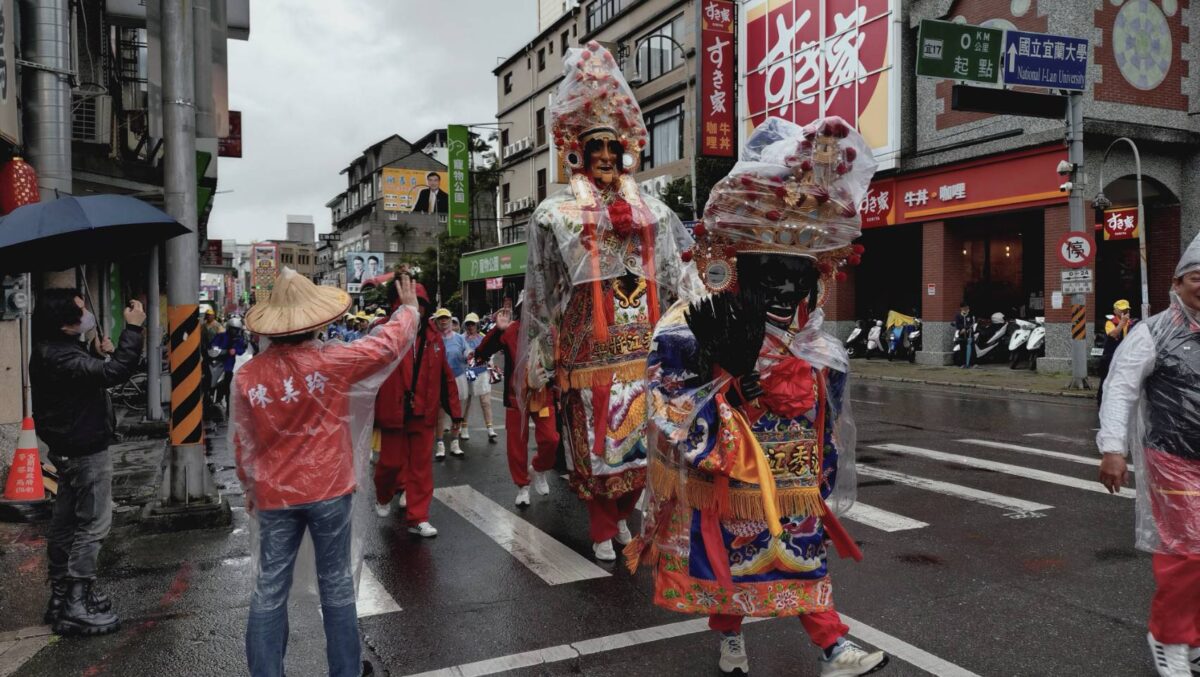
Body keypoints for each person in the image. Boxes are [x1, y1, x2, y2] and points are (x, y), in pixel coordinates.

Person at [628, 116, 886, 677]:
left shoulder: (813, 336)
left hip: (793, 472)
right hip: (733, 468)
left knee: (806, 556)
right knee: (727, 559)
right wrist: (727, 396)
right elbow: (667, 391)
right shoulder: (692, 323)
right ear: (740, 267)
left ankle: (833, 647)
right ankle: (730, 637)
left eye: (799, 272)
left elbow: (828, 412)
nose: (787, 287)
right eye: (772, 271)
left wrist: (825, 462)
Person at [518, 42, 702, 561]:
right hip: (587, 353)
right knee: (597, 445)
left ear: (625, 153)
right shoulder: (554, 215)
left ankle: (622, 516)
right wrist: (542, 349)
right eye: (594, 146)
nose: (604, 156)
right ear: (576, 151)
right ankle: (601, 525)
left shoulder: (655, 213)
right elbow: (541, 289)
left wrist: (697, 326)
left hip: (643, 349)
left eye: (612, 147)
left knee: (643, 443)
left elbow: (678, 277)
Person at [233, 267, 421, 677]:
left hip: (273, 496)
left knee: (269, 589)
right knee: (336, 584)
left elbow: (243, 440)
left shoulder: (247, 376)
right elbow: (385, 346)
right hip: (330, 490)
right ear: (314, 321)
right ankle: (345, 670)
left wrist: (249, 486)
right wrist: (408, 311)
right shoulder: (333, 362)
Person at [1097, 233, 1200, 677]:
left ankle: (1192, 638)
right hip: (1173, 458)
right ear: (1177, 283)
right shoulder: (1152, 332)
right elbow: (1120, 389)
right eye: (1197, 278)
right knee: (1187, 554)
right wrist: (1113, 449)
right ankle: (1169, 638)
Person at [31, 291, 146, 636]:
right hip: (84, 452)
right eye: (79, 311)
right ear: (63, 322)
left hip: (68, 448)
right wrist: (133, 329)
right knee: (92, 526)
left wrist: (94, 353)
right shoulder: (61, 356)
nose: (86, 315)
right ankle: (76, 604)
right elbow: (115, 372)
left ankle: (61, 597)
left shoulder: (55, 350)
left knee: (65, 524)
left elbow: (87, 378)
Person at [372, 280, 462, 536]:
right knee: (389, 464)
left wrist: (455, 413)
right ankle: (383, 495)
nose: (415, 308)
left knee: (421, 469)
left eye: (420, 303)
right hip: (393, 412)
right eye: (407, 303)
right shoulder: (382, 332)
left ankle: (418, 517)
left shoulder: (433, 337)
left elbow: (446, 377)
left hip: (423, 412)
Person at [475, 300, 558, 507]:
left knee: (551, 439)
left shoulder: (550, 331)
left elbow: (558, 362)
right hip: (516, 398)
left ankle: (538, 468)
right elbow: (482, 353)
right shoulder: (511, 331)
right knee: (516, 446)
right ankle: (522, 486)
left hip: (543, 395)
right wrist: (497, 330)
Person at [432, 307, 469, 458]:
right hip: (440, 380)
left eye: (446, 318)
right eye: (440, 318)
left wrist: (469, 356)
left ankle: (455, 443)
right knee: (440, 414)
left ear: (450, 319)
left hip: (458, 378)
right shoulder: (433, 339)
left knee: (457, 413)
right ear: (436, 321)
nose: (443, 321)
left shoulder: (459, 338)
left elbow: (467, 353)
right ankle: (440, 445)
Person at [460, 312, 498, 442]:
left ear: (477, 325)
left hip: (482, 373)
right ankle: (464, 427)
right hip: (466, 374)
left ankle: (490, 429)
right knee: (466, 402)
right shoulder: (461, 338)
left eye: (473, 324)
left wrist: (490, 363)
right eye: (468, 324)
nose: (470, 326)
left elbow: (490, 353)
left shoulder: (483, 338)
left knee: (486, 401)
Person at [210, 316, 249, 414]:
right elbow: (212, 348)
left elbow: (242, 350)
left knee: (228, 389)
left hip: (230, 369)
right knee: (212, 386)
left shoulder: (239, 339)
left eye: (237, 330)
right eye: (233, 329)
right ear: (229, 328)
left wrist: (235, 350)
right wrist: (224, 351)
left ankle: (228, 409)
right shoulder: (221, 336)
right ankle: (213, 405)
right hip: (217, 366)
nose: (235, 332)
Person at [953, 302, 974, 368]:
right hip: (961, 334)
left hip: (969, 334)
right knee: (962, 349)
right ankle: (963, 363)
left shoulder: (970, 315)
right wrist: (961, 329)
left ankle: (970, 363)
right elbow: (957, 324)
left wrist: (966, 328)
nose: (966, 308)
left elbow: (971, 323)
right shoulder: (958, 315)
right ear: (961, 308)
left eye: (967, 307)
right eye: (965, 307)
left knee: (970, 348)